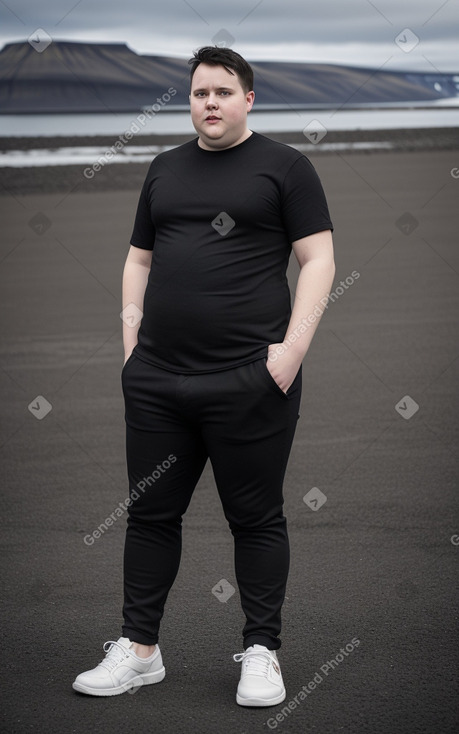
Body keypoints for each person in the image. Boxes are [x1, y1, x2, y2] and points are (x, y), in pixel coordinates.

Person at [73, 45, 335, 707]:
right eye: (198, 93)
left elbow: (319, 260)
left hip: (250, 379)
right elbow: (138, 260)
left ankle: (260, 653)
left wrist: (289, 354)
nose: (209, 103)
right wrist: (132, 346)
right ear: (188, 101)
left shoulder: (284, 167)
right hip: (158, 380)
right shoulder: (163, 170)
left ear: (248, 98)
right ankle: (139, 651)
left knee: (256, 518)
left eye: (222, 91)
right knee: (150, 515)